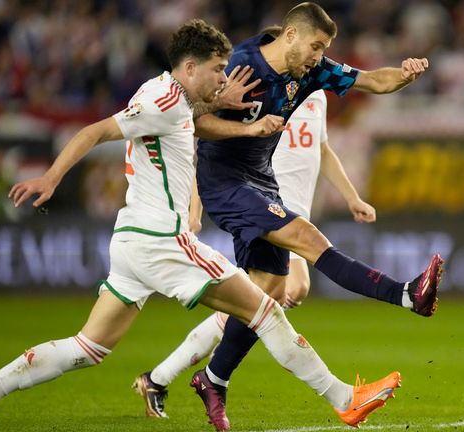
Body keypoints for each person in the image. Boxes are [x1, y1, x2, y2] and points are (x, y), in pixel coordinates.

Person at [0, 19, 400, 432]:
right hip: (163, 240)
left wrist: (221, 103)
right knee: (266, 310)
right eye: (218, 69)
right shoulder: (160, 102)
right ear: (191, 67)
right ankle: (345, 399)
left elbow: (186, 113)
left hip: (131, 242)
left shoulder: (170, 96)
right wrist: (50, 178)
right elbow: (96, 131)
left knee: (87, 348)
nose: (224, 77)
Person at [177, 5, 444, 429]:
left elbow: (372, 80)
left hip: (261, 182)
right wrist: (235, 118)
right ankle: (407, 295)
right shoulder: (241, 65)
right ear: (291, 36)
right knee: (308, 238)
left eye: (324, 49)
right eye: (316, 46)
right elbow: (191, 121)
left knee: (266, 291)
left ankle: (212, 378)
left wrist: (405, 75)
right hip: (225, 184)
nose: (319, 56)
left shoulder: (311, 71)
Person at [133, 88, 377, 418]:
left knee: (261, 300)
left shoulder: (316, 94)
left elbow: (322, 148)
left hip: (294, 214)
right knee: (277, 294)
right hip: (265, 207)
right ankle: (181, 378)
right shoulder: (266, 90)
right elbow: (212, 148)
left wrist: (351, 197)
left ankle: (161, 378)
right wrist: (195, 207)